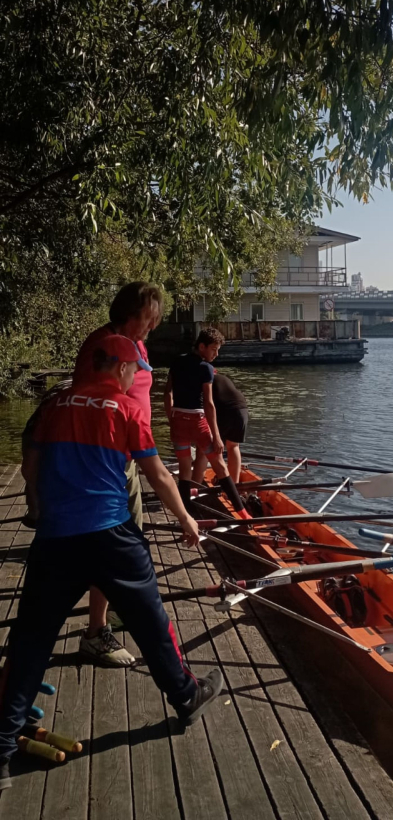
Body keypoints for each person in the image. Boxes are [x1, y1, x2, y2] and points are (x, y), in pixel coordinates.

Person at [0, 335, 223, 791]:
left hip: (56, 538)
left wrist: (38, 508)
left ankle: (1, 746)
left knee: (30, 640)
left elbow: (30, 465)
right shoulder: (125, 408)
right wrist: (185, 519)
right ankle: (186, 696)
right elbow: (157, 474)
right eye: (135, 369)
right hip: (111, 536)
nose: (135, 377)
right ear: (120, 368)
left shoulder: (54, 403)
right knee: (152, 624)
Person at [21, 282, 164, 667]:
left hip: (127, 458)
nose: (152, 326)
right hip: (107, 464)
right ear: (130, 313)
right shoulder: (101, 346)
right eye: (148, 318)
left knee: (121, 546)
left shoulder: (135, 345)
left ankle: (107, 615)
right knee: (111, 548)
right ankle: (96, 632)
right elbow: (87, 406)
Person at [164, 328, 250, 518]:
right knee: (220, 466)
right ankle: (243, 513)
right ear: (201, 346)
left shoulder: (177, 361)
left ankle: (185, 512)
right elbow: (209, 404)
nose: (216, 354)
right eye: (214, 349)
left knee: (184, 469)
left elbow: (167, 394)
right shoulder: (206, 368)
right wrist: (217, 436)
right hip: (198, 423)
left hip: (178, 422)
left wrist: (172, 419)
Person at [192, 372, 248, 486]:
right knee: (233, 446)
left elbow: (206, 407)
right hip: (242, 409)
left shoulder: (203, 382)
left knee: (202, 449)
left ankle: (195, 486)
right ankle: (233, 487)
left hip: (225, 410)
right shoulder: (222, 378)